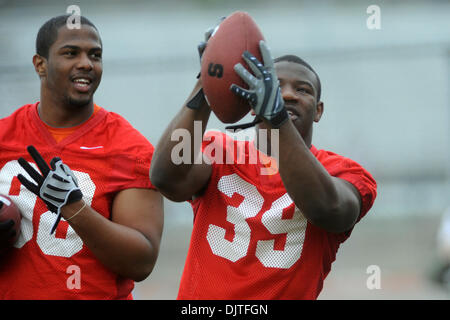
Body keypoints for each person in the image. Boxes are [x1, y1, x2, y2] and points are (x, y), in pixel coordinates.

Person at [150, 28, 377, 299]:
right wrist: (207, 84)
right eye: (276, 87)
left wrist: (277, 118)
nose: (289, 94)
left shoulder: (343, 171)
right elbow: (165, 177)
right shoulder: (220, 150)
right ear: (252, 104)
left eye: (302, 90)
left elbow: (329, 210)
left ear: (318, 111)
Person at [0, 15, 164, 299]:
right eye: (71, 53)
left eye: (95, 55)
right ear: (40, 64)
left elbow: (142, 262)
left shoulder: (130, 149)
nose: (87, 63)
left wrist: (76, 210)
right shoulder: (4, 134)